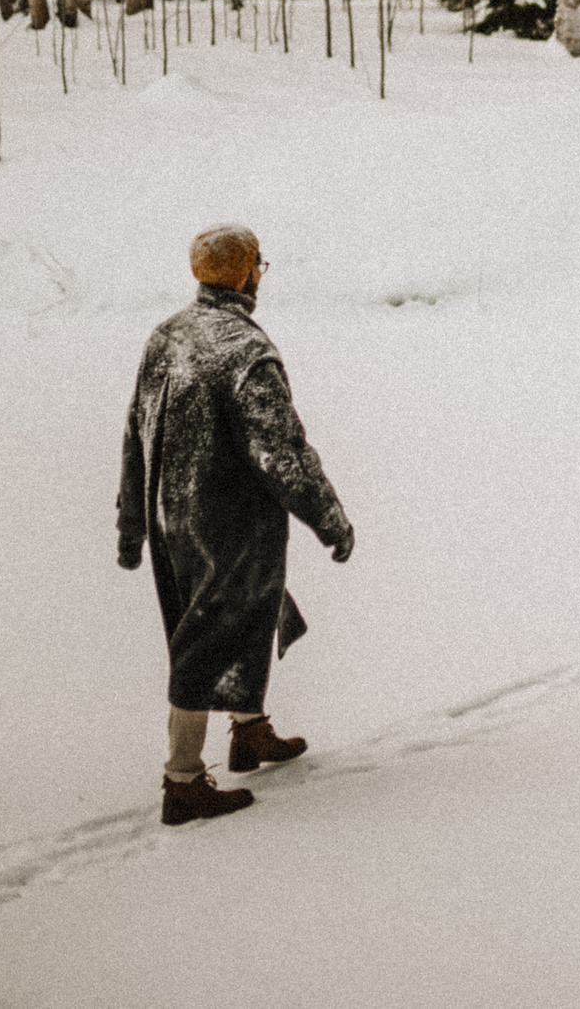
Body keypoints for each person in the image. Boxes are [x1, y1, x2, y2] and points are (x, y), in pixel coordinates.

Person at [119, 223, 355, 825]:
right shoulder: (245, 353)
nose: (261, 273)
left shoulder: (167, 335)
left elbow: (134, 433)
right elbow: (282, 453)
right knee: (208, 638)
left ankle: (250, 732)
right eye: (259, 264)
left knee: (255, 609)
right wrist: (330, 520)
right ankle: (183, 781)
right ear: (245, 272)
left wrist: (132, 525)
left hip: (173, 515)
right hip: (227, 521)